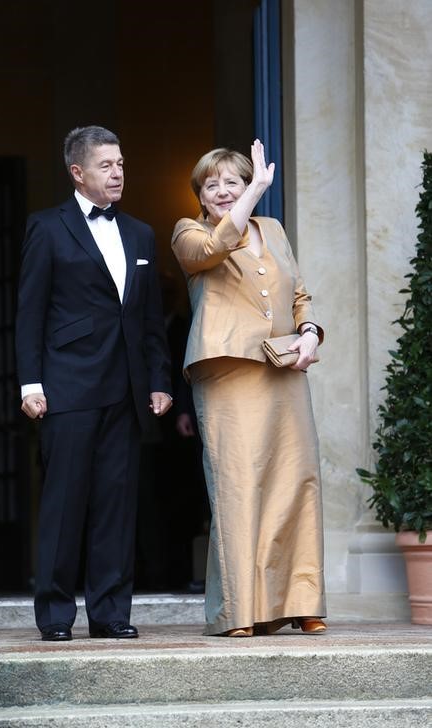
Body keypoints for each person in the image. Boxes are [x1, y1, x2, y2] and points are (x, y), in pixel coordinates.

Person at [15, 125, 172, 641]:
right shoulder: (47, 227)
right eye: (107, 165)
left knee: (115, 505)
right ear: (77, 172)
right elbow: (29, 312)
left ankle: (110, 614)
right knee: (64, 504)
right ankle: (56, 616)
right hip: (67, 387)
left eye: (122, 164)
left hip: (125, 391)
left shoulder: (142, 234)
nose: (118, 173)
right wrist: (29, 384)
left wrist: (159, 379)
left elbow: (149, 318)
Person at [171, 140, 326, 637]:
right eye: (210, 184)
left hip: (283, 369)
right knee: (238, 486)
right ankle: (237, 610)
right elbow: (211, 251)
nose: (220, 190)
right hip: (227, 372)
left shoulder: (274, 231)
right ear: (199, 193)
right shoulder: (189, 231)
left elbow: (299, 294)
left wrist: (310, 334)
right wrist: (256, 189)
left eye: (231, 182)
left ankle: (303, 600)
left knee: (295, 481)